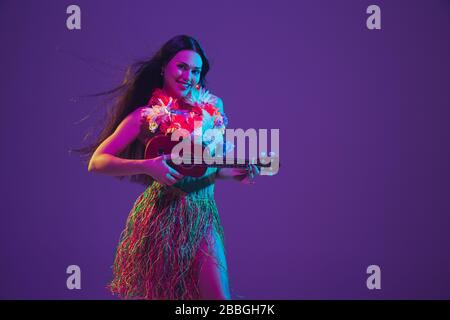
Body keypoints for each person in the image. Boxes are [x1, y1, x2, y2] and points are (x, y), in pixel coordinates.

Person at [82, 35, 260, 300]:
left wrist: (237, 173)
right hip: (162, 217)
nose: (188, 76)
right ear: (164, 67)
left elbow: (208, 167)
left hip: (202, 215)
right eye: (182, 67)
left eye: (196, 71)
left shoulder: (212, 110)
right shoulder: (145, 116)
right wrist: (146, 166)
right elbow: (97, 162)